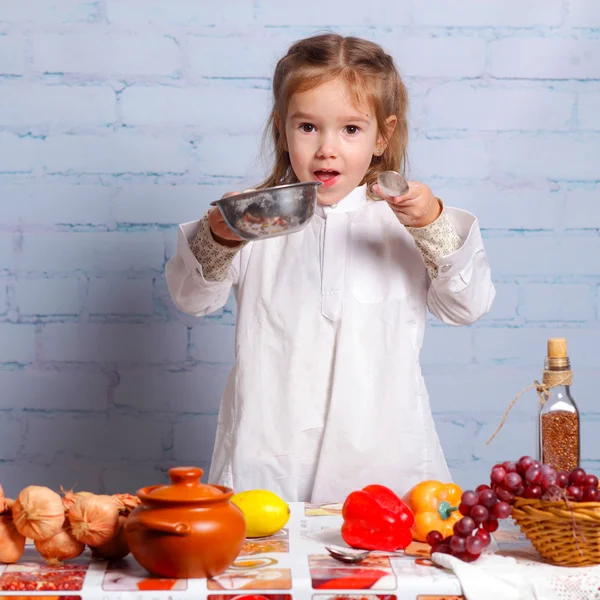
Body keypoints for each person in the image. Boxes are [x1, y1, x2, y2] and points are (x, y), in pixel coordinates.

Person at [166, 33, 495, 503]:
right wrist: (222, 235)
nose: (327, 148)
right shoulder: (255, 219)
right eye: (308, 127)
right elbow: (193, 298)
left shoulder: (407, 223)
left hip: (388, 467)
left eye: (351, 130)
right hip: (267, 463)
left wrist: (433, 226)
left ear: (383, 135)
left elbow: (467, 306)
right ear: (282, 128)